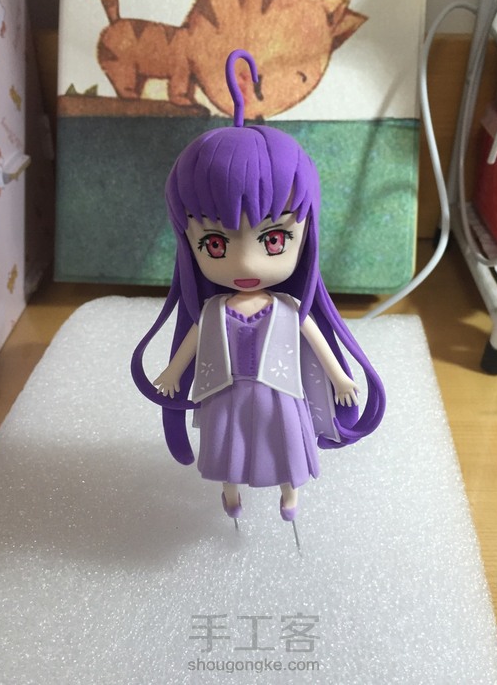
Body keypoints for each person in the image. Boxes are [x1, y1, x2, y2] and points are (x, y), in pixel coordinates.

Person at [131, 50, 385, 521]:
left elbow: (316, 341)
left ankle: (290, 493)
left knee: (285, 440)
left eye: (273, 240)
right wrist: (170, 374)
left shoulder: (289, 307)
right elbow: (191, 344)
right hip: (225, 390)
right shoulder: (212, 311)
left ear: (305, 236)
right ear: (188, 243)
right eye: (214, 243)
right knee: (228, 442)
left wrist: (340, 377)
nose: (245, 262)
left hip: (279, 389)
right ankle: (231, 492)